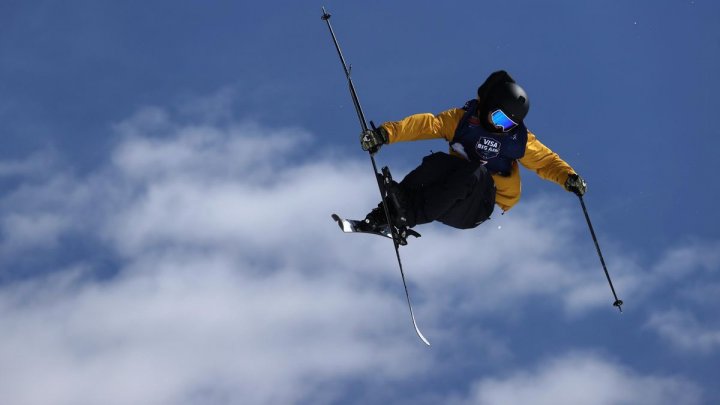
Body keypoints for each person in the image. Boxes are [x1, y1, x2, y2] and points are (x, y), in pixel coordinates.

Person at [358, 70, 587, 232]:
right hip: (447, 197)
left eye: (507, 124)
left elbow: (545, 161)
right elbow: (427, 124)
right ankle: (387, 212)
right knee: (438, 162)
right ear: (488, 105)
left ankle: (408, 215)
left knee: (473, 173)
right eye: (498, 118)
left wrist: (569, 178)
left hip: (481, 206)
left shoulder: (516, 140)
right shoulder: (462, 121)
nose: (500, 127)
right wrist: (384, 135)